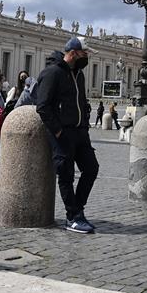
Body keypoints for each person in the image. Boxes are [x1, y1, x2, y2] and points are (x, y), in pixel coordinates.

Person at [35, 37, 100, 233]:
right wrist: (58, 130)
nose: (87, 57)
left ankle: (77, 210)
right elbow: (43, 106)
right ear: (73, 53)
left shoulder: (78, 75)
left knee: (92, 168)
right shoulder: (52, 73)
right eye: (84, 53)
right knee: (66, 174)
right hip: (62, 132)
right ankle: (73, 217)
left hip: (80, 131)